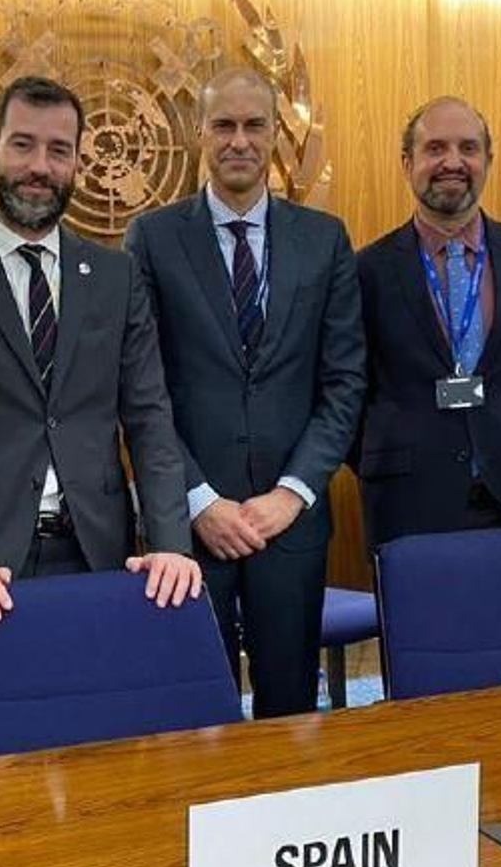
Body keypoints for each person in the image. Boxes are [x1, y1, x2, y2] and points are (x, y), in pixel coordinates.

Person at [0, 76, 201, 621]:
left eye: (59, 151)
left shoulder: (115, 277)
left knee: (107, 706)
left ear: (78, 162)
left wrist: (170, 543)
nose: (40, 167)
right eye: (23, 144)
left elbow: (149, 417)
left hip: (103, 556)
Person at [123, 69, 364, 717]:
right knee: (195, 710)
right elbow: (141, 389)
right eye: (223, 125)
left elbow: (344, 383)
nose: (239, 140)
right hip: (188, 524)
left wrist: (291, 494)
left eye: (254, 125)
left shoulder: (326, 239)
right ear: (200, 133)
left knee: (290, 709)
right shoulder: (151, 238)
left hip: (289, 523)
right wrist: (197, 499)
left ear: (275, 137)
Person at [354, 96, 501, 548]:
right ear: (407, 163)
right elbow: (350, 390)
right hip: (411, 502)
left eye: (468, 148)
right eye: (435, 148)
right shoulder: (364, 272)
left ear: (488, 160)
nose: (453, 162)